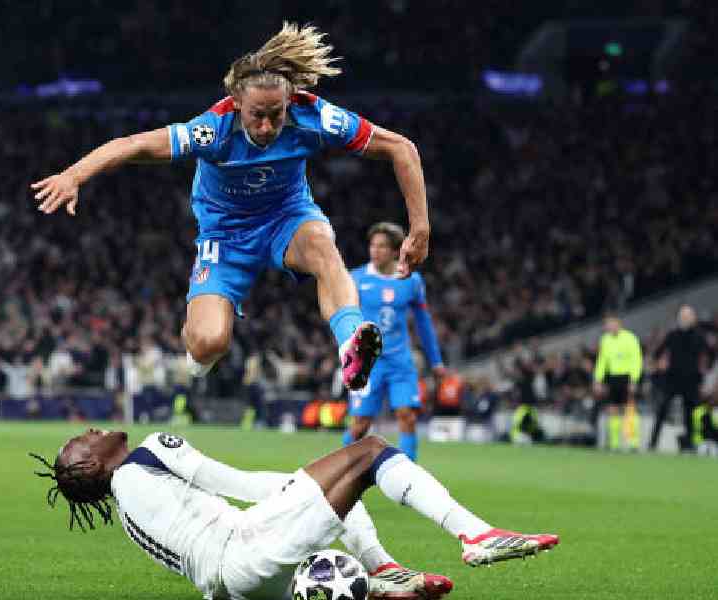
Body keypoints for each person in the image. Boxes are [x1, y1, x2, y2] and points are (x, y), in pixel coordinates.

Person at [31, 22, 433, 392]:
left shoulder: (315, 118)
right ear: (237, 102)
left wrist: (419, 229)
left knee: (324, 247)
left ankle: (352, 344)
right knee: (209, 343)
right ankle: (196, 352)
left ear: (289, 101)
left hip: (286, 218)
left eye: (276, 115)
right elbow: (133, 145)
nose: (265, 127)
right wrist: (73, 176)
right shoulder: (212, 131)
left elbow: (401, 148)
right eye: (257, 115)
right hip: (225, 236)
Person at [31, 430, 559, 600]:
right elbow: (230, 482)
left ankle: (384, 579)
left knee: (334, 501)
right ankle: (474, 534)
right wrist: (294, 485)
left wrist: (299, 491)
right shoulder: (148, 454)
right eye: (84, 440)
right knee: (370, 453)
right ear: (87, 463)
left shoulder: (127, 505)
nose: (93, 431)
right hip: (244, 545)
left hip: (232, 584)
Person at [343, 222, 445, 459]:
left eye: (381, 246)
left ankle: (409, 479)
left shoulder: (411, 281)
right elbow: (343, 315)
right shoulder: (356, 279)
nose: (374, 251)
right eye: (372, 245)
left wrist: (436, 361)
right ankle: (339, 474)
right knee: (360, 424)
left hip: (400, 362)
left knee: (407, 416)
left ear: (393, 251)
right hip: (367, 363)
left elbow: (424, 323)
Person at [650, 305, 709, 452]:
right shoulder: (672, 335)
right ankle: (652, 443)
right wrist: (659, 363)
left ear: (693, 318)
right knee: (662, 410)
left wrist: (703, 371)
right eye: (683, 316)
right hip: (672, 379)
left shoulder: (699, 336)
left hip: (691, 380)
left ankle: (689, 445)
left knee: (689, 413)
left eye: (688, 316)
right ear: (679, 318)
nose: (685, 319)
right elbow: (658, 353)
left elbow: (709, 355)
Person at [593, 315, 643, 451]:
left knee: (630, 410)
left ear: (618, 324)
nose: (609, 327)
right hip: (613, 377)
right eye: (607, 324)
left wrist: (634, 379)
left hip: (627, 377)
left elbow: (636, 359)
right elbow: (602, 361)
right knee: (612, 409)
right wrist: (598, 379)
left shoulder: (630, 338)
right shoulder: (605, 340)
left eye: (611, 324)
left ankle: (633, 443)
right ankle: (615, 443)